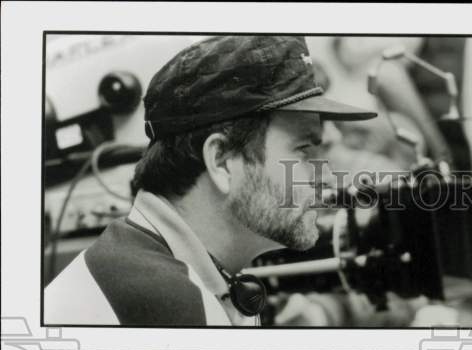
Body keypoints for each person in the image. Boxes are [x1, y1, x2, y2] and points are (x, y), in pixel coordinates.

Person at [44, 35, 376, 326]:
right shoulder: (171, 306)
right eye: (305, 151)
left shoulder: (147, 263)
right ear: (221, 161)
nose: (327, 176)